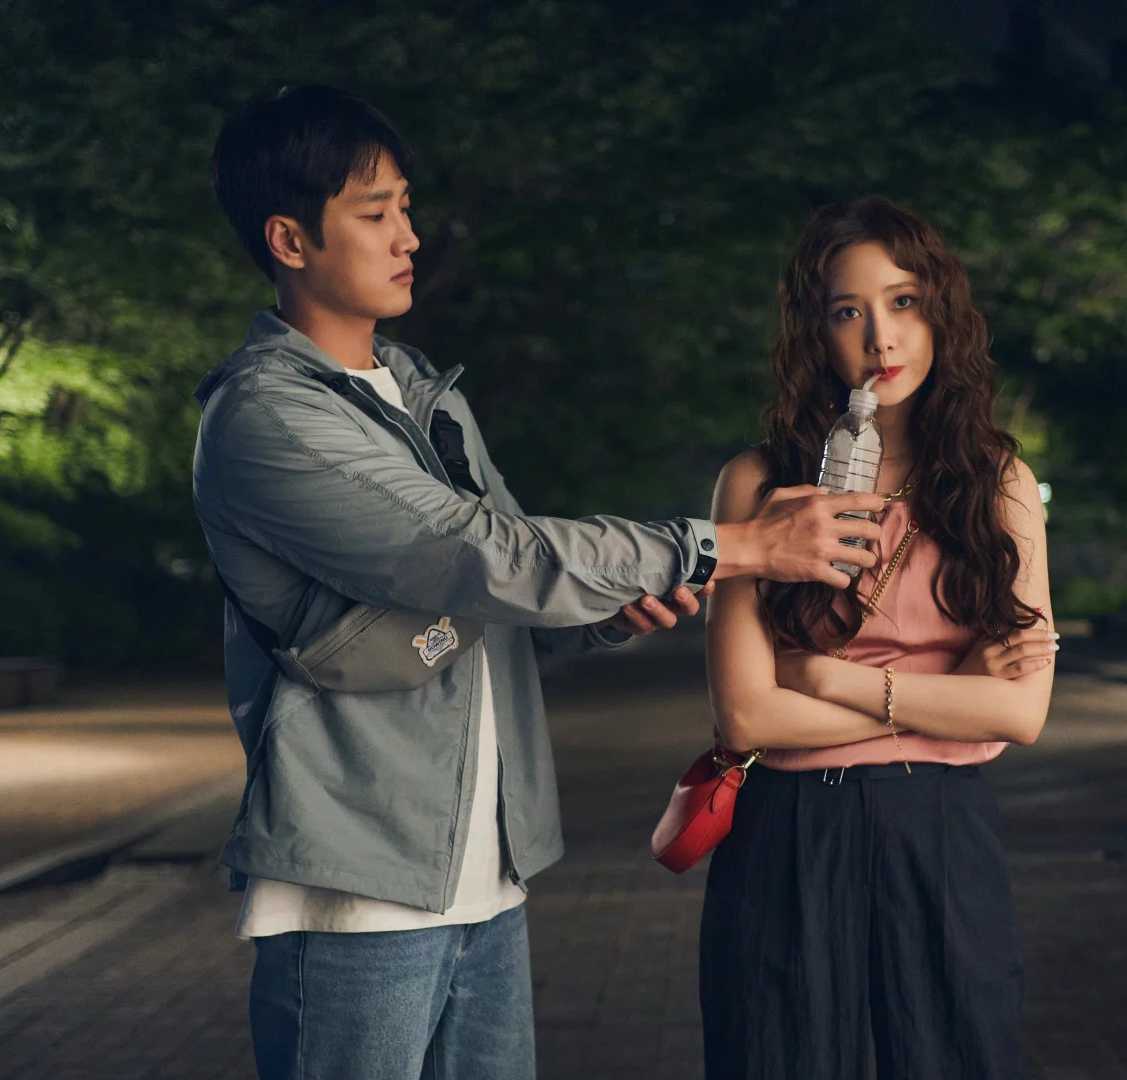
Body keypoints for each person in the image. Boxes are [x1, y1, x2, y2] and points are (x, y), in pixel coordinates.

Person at [192, 85, 884, 1080]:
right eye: (377, 213)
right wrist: (727, 546)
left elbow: (513, 595)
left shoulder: (424, 393)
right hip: (357, 891)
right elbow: (488, 556)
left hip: (489, 878)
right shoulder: (265, 418)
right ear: (289, 239)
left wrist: (607, 616)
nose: (410, 236)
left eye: (407, 208)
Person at [699, 195, 1059, 1080]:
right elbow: (746, 718)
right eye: (846, 311)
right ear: (814, 332)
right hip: (788, 832)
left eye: (903, 302)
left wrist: (825, 679)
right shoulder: (758, 483)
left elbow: (1021, 712)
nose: (880, 338)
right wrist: (954, 694)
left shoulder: (998, 483)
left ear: (940, 312)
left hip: (940, 828)